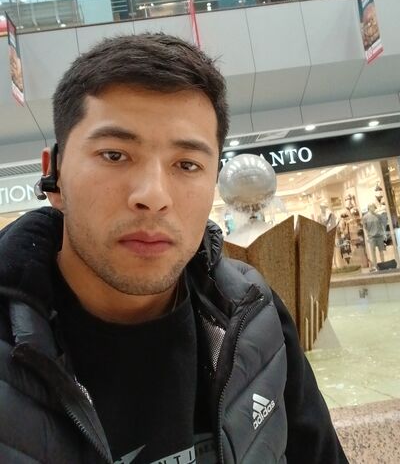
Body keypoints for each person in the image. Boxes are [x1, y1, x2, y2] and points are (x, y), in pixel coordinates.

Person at [0, 34, 348, 464]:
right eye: (114, 155)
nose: (153, 196)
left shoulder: (253, 317)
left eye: (187, 164)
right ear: (54, 175)